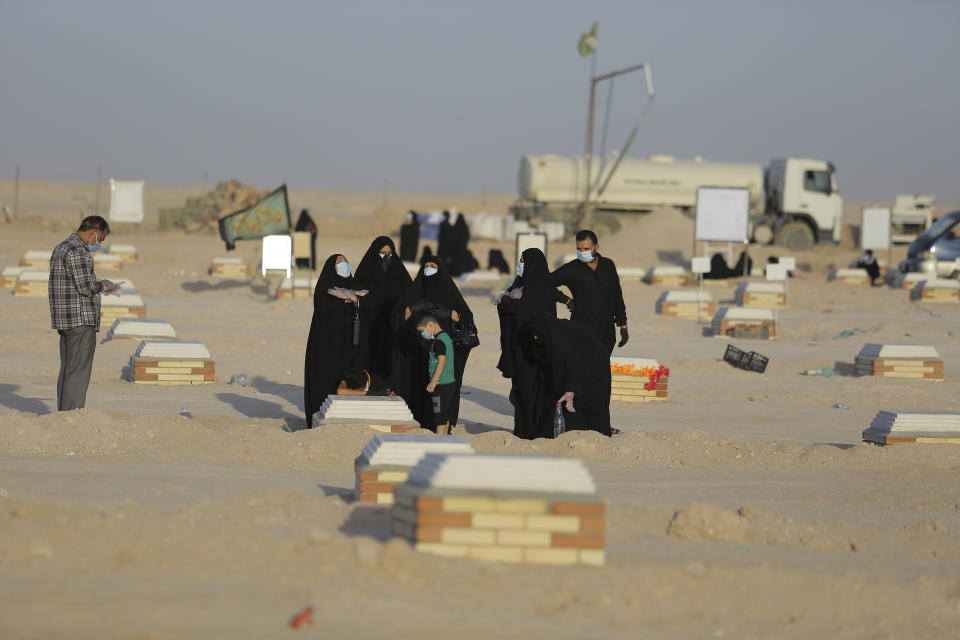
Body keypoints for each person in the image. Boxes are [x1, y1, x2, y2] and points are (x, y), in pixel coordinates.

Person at [49, 215, 121, 411]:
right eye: (101, 239)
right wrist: (103, 285)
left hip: (64, 319)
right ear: (93, 233)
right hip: (79, 319)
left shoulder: (62, 247)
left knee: (68, 369)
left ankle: (63, 413)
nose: (99, 244)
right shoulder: (77, 251)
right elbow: (85, 288)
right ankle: (72, 414)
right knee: (78, 371)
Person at [398, 255, 475, 428]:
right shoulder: (414, 291)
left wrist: (447, 312)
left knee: (441, 395)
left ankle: (441, 427)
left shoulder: (450, 292)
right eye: (426, 265)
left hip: (443, 352)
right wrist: (415, 307)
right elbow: (399, 319)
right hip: (416, 353)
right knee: (419, 389)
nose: (429, 268)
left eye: (433, 266)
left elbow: (464, 319)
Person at [510, 313, 613, 439]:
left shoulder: (558, 340)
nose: (536, 337)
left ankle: (594, 431)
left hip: (593, 361)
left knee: (587, 400)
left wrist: (570, 389)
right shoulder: (552, 331)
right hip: (588, 359)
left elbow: (572, 363)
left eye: (537, 334)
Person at [303, 254, 367, 426]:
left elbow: (367, 308)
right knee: (325, 384)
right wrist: (345, 302)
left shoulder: (357, 287)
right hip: (326, 347)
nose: (343, 264)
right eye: (339, 262)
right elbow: (325, 310)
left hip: (349, 346)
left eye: (346, 261)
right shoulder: (324, 288)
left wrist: (354, 300)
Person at [552, 229, 628, 354]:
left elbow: (616, 295)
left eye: (586, 249)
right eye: (579, 249)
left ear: (596, 247)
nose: (582, 253)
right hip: (581, 331)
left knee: (600, 370)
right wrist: (565, 300)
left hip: (606, 333)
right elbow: (546, 283)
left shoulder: (608, 265)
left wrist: (623, 324)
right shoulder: (571, 268)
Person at [494, 248, 565, 379]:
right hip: (520, 342)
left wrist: (503, 298)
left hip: (533, 344)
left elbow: (517, 308)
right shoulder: (522, 282)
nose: (520, 265)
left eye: (523, 262)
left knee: (530, 382)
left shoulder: (538, 288)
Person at [354, 236, 412, 381]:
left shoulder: (400, 275)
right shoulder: (364, 274)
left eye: (389, 253)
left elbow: (410, 298)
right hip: (369, 330)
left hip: (393, 330)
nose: (386, 256)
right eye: (382, 252)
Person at [412, 311, 457, 435]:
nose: (423, 334)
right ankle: (445, 439)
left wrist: (433, 382)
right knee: (445, 415)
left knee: (439, 417)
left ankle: (438, 441)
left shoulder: (438, 341)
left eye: (423, 331)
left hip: (440, 386)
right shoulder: (446, 337)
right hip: (449, 383)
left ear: (430, 325)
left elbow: (442, 361)